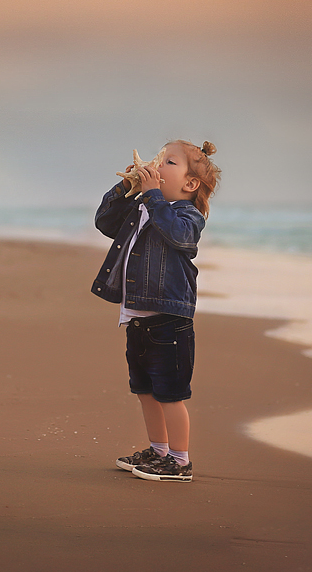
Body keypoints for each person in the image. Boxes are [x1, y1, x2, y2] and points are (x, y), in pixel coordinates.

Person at [91, 140, 220, 481]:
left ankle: (180, 461)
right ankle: (159, 450)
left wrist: (152, 197)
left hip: (168, 319)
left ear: (190, 184)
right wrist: (126, 188)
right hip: (138, 317)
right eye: (159, 159)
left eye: (169, 162)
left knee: (170, 394)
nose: (158, 165)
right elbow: (105, 223)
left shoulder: (187, 216)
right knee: (145, 391)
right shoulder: (143, 207)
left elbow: (179, 237)